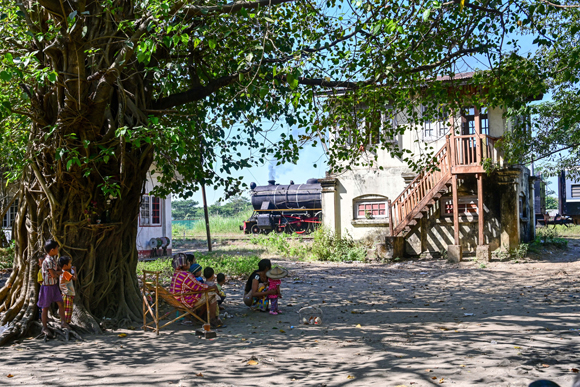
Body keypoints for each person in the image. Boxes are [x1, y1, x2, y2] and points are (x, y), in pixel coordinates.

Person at [170, 255, 223, 327]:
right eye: (187, 261)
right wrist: (212, 287)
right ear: (184, 265)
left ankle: (204, 317)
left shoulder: (177, 274)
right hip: (185, 300)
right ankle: (212, 320)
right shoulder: (186, 275)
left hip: (176, 299)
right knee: (213, 295)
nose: (189, 262)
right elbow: (199, 287)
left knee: (208, 294)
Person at [37, 239, 69, 335]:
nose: (58, 249)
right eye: (56, 248)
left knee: (60, 303)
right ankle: (44, 327)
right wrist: (63, 272)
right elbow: (54, 274)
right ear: (52, 250)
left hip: (54, 286)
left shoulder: (53, 259)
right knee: (45, 307)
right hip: (47, 288)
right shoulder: (47, 261)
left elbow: (56, 270)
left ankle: (63, 322)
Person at [58, 256, 77, 324]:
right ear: (65, 265)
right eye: (70, 263)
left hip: (64, 294)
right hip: (67, 294)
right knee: (68, 310)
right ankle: (66, 323)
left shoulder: (62, 273)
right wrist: (74, 271)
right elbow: (75, 278)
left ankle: (63, 321)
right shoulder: (66, 273)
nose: (71, 265)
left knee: (65, 308)